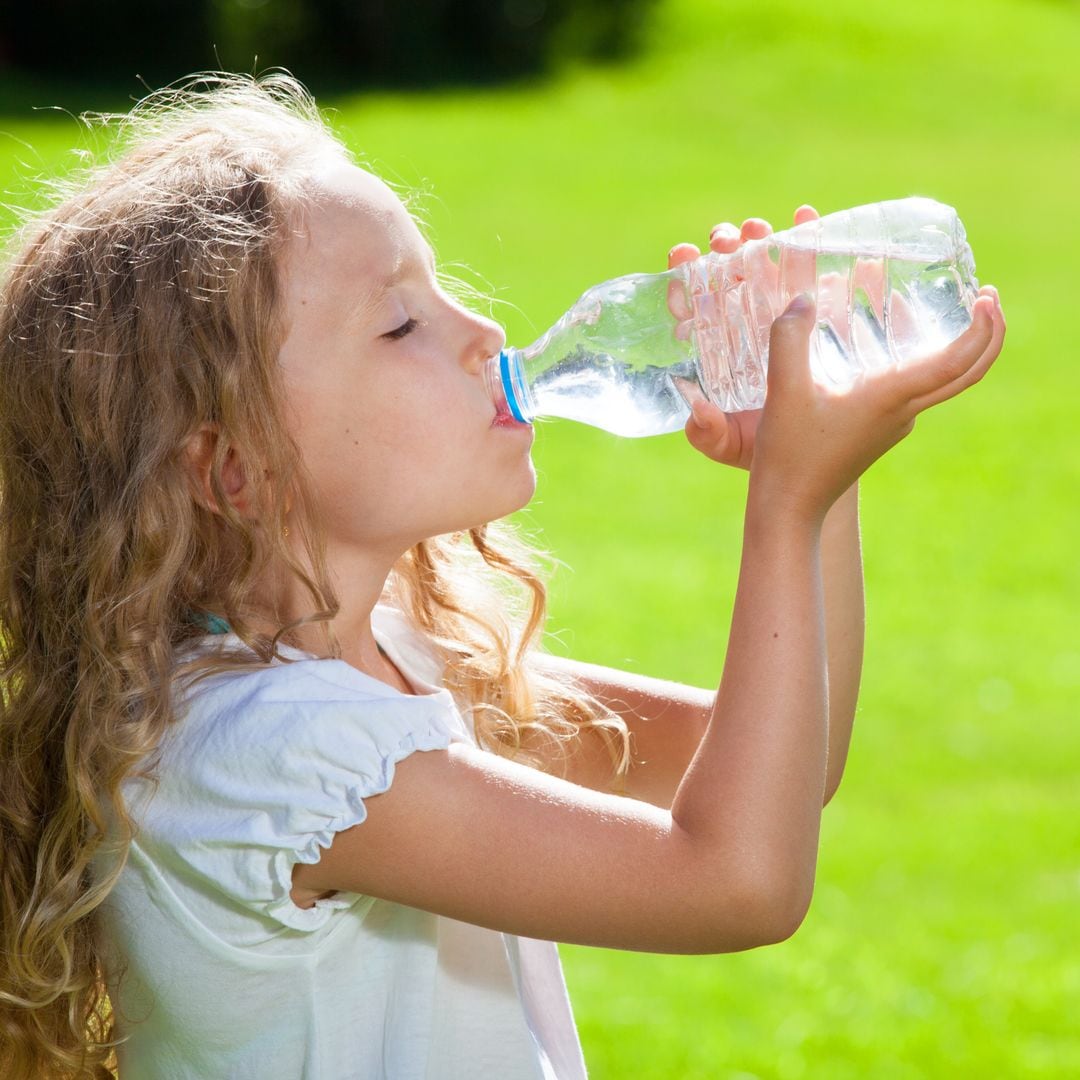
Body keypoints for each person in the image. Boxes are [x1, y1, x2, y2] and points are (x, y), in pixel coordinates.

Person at [0, 73, 1005, 1080]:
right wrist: (784, 508)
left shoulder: (386, 659)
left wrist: (819, 469)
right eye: (401, 324)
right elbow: (737, 882)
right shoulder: (270, 749)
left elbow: (785, 762)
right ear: (235, 468)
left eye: (441, 289)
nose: (481, 331)